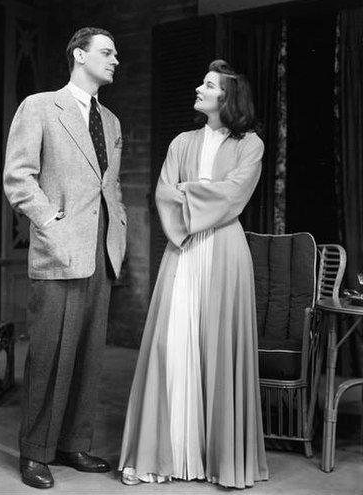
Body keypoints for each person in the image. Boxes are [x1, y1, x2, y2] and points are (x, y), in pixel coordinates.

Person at [118, 59, 269, 489]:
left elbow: (235, 194)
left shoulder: (250, 145)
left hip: (225, 254)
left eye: (208, 85)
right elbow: (164, 193)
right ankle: (161, 455)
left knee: (219, 348)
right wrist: (193, 196)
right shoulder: (181, 141)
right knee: (171, 345)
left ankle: (220, 460)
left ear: (227, 96)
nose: (199, 89)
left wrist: (187, 191)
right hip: (182, 250)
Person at [3, 27, 127, 489]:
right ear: (79, 55)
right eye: (107, 52)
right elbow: (18, 176)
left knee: (89, 354)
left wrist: (118, 235)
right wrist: (48, 222)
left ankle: (73, 443)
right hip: (60, 245)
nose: (115, 59)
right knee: (50, 353)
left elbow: (107, 185)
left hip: (102, 248)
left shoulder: (111, 121)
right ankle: (35, 452)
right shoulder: (39, 106)